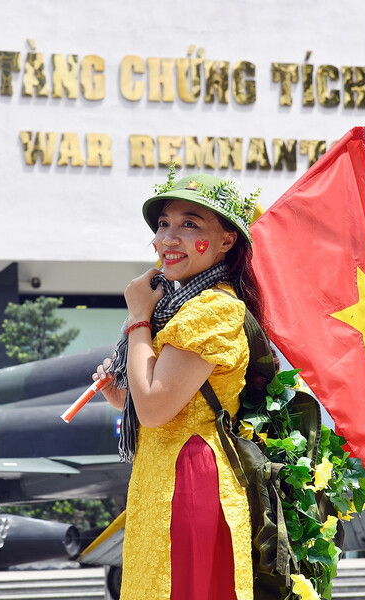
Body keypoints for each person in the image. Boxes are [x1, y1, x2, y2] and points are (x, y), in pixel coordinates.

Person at [93, 172, 265, 600]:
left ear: (227, 240)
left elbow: (153, 408)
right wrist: (122, 400)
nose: (168, 238)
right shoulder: (182, 304)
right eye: (163, 224)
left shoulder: (212, 308)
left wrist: (138, 318)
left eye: (190, 224)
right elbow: (153, 404)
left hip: (190, 478)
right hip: (167, 473)